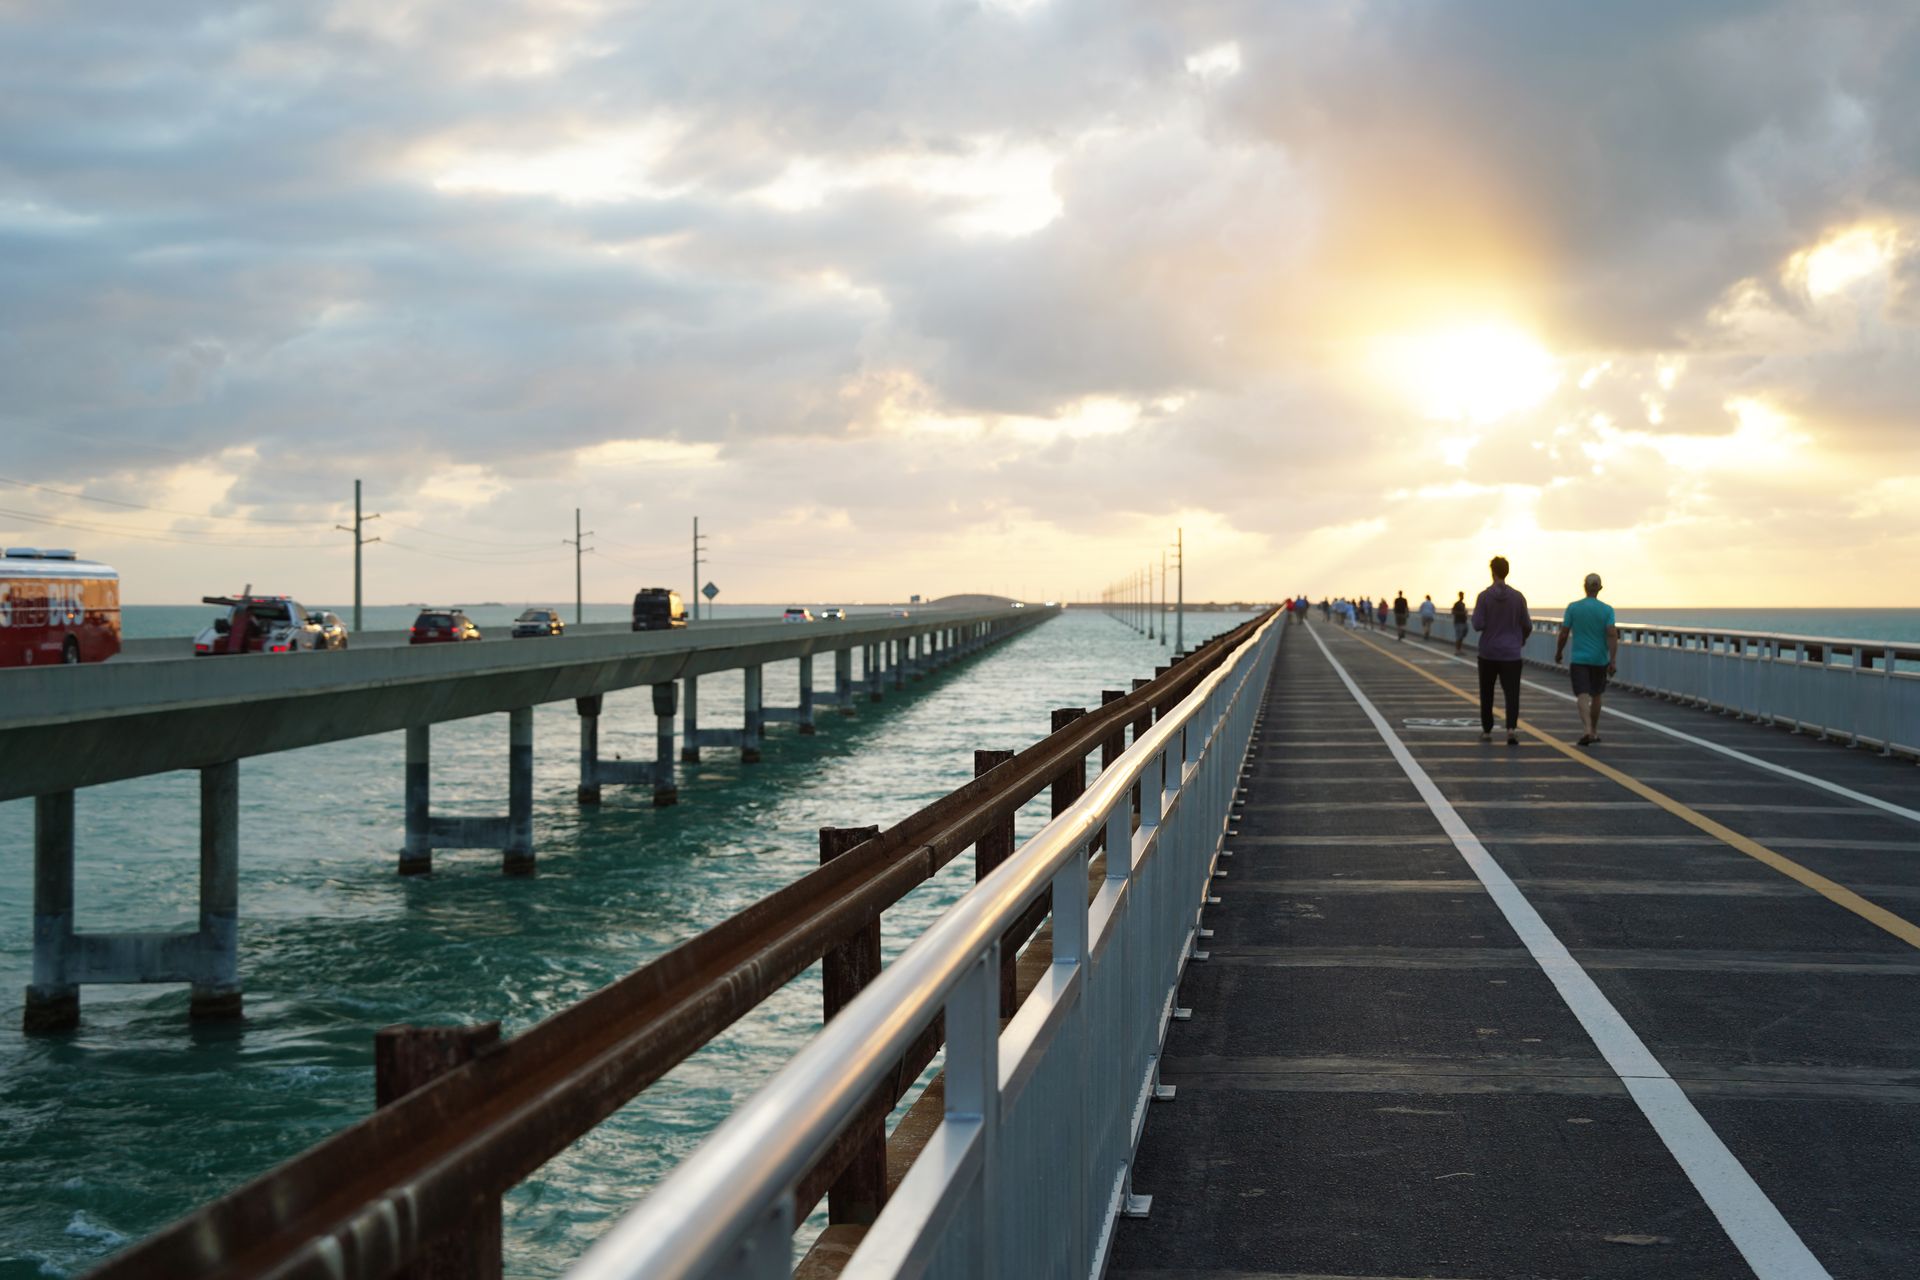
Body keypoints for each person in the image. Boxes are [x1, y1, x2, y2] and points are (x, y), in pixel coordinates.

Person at [1470, 557, 1531, 745]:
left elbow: (1477, 624)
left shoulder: (1484, 597)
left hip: (1488, 652)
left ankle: (1487, 730)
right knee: (1512, 693)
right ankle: (1511, 729)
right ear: (1507, 571)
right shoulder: (1518, 597)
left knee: (1486, 692)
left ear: (1492, 572)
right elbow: (1527, 624)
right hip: (1511, 653)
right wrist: (1520, 639)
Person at [1554, 572, 1619, 746]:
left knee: (1582, 694)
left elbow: (1564, 633)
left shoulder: (1573, 608)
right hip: (1599, 659)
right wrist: (1612, 660)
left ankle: (1587, 730)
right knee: (1596, 694)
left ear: (1584, 587)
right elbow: (1612, 634)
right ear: (1600, 588)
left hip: (1579, 659)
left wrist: (1559, 652)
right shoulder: (1607, 610)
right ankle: (1594, 731)